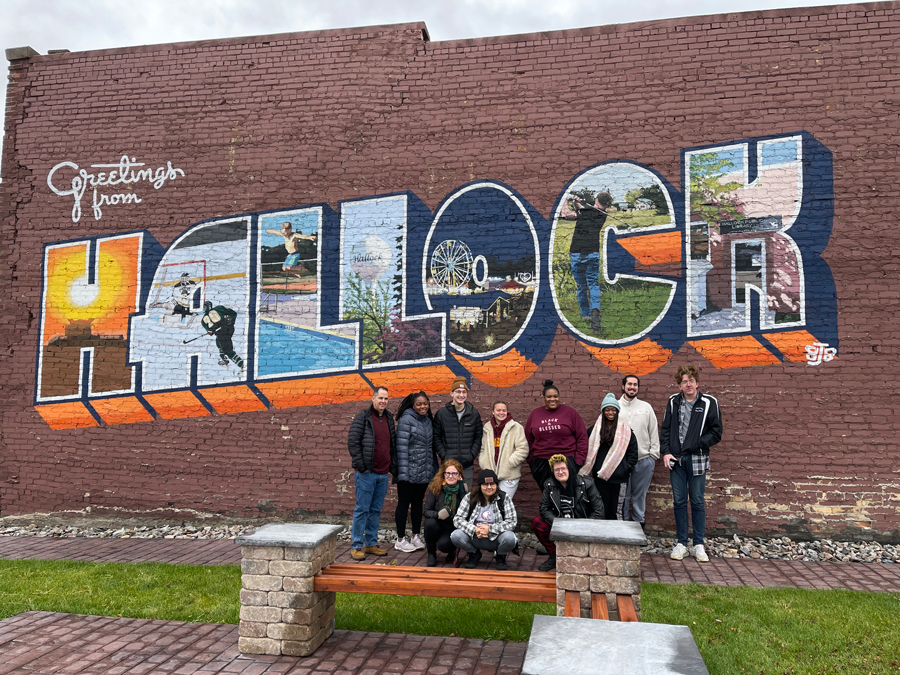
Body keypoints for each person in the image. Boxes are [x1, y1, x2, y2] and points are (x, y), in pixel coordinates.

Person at [660, 364, 722, 563]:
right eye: (684, 381)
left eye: (691, 381)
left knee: (696, 501)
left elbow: (716, 432)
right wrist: (666, 453)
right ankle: (681, 543)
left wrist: (697, 444)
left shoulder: (708, 402)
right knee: (679, 501)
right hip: (676, 460)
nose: (688, 384)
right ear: (679, 385)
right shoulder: (673, 402)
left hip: (697, 458)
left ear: (697, 382)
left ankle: (698, 544)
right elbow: (666, 429)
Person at [531, 454, 605, 571]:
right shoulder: (549, 485)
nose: (560, 472)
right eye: (557, 470)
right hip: (561, 524)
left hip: (583, 527)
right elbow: (544, 509)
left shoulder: (587, 484)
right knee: (537, 522)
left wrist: (579, 527)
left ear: (569, 469)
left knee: (580, 562)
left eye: (563, 468)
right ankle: (553, 556)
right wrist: (560, 524)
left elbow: (599, 512)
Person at [347, 386, 396, 561]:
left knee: (375, 510)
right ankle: (356, 545)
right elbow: (353, 442)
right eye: (380, 398)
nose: (383, 401)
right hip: (367, 474)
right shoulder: (363, 417)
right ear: (373, 399)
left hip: (383, 474)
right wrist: (362, 466)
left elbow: (392, 444)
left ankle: (372, 544)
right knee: (362, 509)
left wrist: (391, 466)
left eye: (386, 398)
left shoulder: (389, 418)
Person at [561, 191, 613, 333]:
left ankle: (585, 314)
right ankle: (595, 312)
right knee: (593, 284)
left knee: (581, 286)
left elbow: (565, 214)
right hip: (593, 253)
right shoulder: (602, 214)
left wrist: (566, 199)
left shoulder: (586, 212)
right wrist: (577, 202)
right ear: (606, 203)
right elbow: (582, 210)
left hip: (577, 253)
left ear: (596, 199)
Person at [580, 393, 638, 520]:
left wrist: (625, 469)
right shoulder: (593, 431)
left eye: (613, 410)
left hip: (619, 479)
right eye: (607, 409)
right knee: (601, 508)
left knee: (617, 510)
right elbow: (586, 450)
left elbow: (633, 454)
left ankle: (617, 537)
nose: (610, 412)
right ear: (603, 411)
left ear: (617, 411)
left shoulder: (626, 431)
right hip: (599, 479)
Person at [524, 380, 588, 492]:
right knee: (548, 496)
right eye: (549, 396)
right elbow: (528, 439)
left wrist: (578, 461)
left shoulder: (570, 413)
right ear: (544, 397)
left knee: (567, 495)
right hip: (541, 462)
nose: (552, 399)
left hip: (566, 461)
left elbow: (582, 437)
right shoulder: (535, 414)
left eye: (555, 396)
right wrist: (532, 460)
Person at [393, 391, 437, 553]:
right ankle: (400, 539)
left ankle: (416, 536)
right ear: (412, 405)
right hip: (408, 472)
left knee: (418, 504)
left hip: (423, 471)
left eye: (425, 403)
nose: (423, 406)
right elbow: (401, 448)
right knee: (404, 503)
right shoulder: (406, 420)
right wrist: (403, 473)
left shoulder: (427, 421)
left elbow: (430, 448)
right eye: (419, 404)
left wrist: (432, 470)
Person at [451, 469, 518, 570]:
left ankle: (501, 556)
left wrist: (490, 529)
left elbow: (512, 521)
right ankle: (474, 553)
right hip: (475, 536)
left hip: (496, 537)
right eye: (485, 484)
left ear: (496, 485)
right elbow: (457, 519)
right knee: (455, 535)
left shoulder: (504, 498)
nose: (489, 487)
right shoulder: (470, 497)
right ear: (480, 486)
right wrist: (474, 529)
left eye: (492, 484)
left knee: (510, 538)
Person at [618, 375, 660, 530]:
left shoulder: (646, 407)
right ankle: (623, 528)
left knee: (639, 496)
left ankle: (638, 527)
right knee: (623, 496)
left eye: (635, 385)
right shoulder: (615, 407)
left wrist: (653, 455)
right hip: (621, 461)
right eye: (629, 384)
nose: (632, 387)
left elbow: (653, 431)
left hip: (643, 460)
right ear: (623, 386)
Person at [433, 377, 482, 486]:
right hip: (447, 465)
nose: (461, 395)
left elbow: (478, 436)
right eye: (458, 392)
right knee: (447, 497)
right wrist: (444, 455)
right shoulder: (442, 414)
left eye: (464, 392)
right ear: (451, 394)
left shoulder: (473, 414)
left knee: (465, 496)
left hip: (467, 466)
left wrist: (471, 455)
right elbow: (436, 437)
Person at [478, 401, 529, 501]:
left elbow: (523, 449)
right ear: (493, 411)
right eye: (498, 410)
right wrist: (484, 464)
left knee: (503, 503)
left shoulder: (516, 427)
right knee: (490, 503)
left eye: (504, 410)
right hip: (491, 473)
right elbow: (482, 448)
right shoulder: (487, 428)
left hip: (509, 474)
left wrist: (510, 463)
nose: (501, 413)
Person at [423, 458, 468, 567]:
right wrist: (438, 515)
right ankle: (431, 554)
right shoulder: (436, 488)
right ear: (443, 474)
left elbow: (468, 513)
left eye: (454, 473)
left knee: (444, 546)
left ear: (459, 475)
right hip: (438, 524)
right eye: (448, 473)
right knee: (430, 523)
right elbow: (426, 511)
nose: (451, 476)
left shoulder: (462, 490)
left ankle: (452, 550)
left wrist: (463, 492)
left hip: (453, 526)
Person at [201, 301, 244, 369]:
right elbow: (210, 331)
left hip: (223, 331)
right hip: (226, 330)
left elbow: (232, 313)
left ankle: (242, 365)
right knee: (218, 342)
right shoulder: (204, 319)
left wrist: (230, 320)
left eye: (204, 307)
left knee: (228, 351)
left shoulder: (217, 309)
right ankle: (224, 359)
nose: (203, 308)